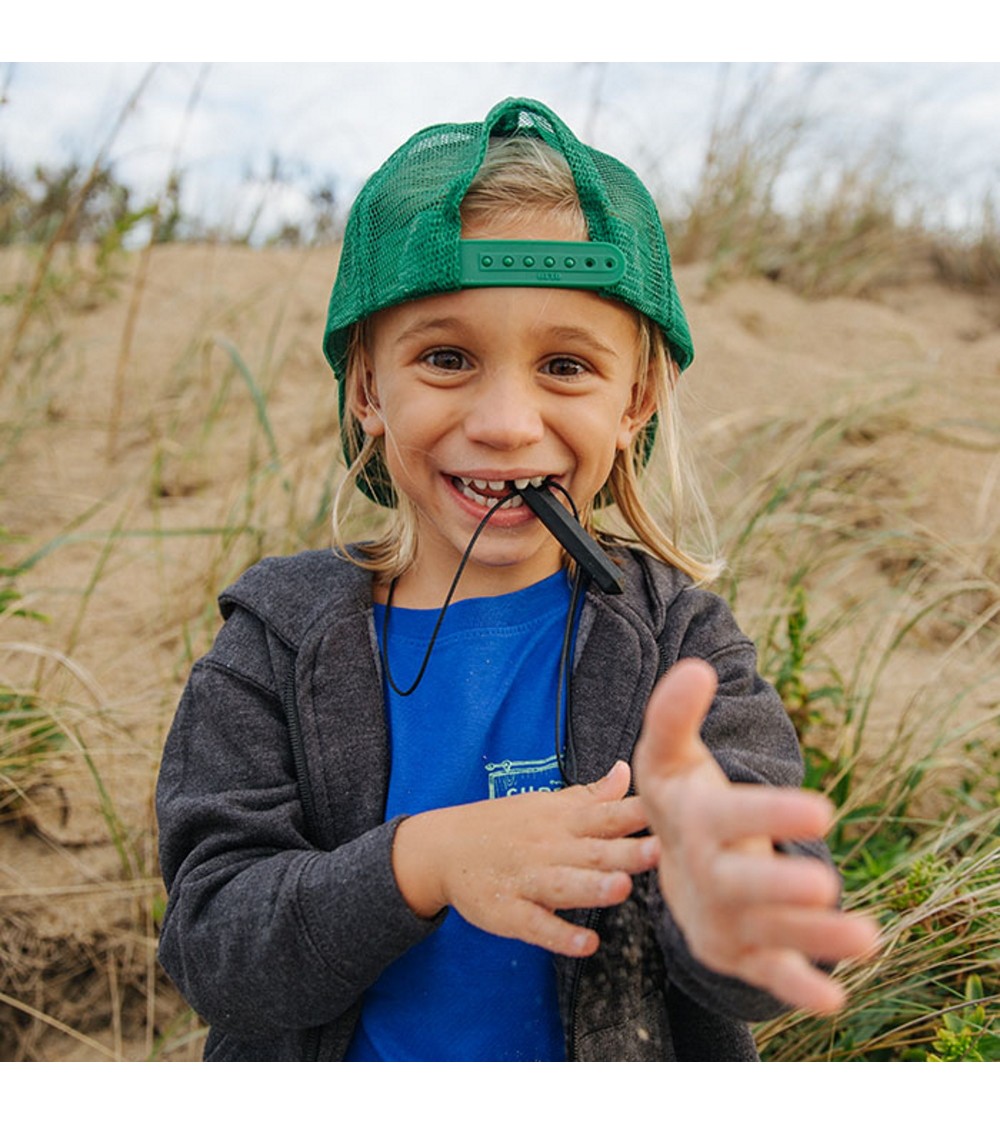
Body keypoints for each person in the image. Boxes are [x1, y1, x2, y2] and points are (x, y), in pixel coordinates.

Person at [156, 97, 877, 1062]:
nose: (505, 421)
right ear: (368, 389)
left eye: (566, 365)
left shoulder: (683, 644)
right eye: (446, 357)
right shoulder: (274, 640)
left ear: (636, 400)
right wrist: (424, 862)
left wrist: (716, 885)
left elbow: (777, 950)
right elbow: (213, 945)